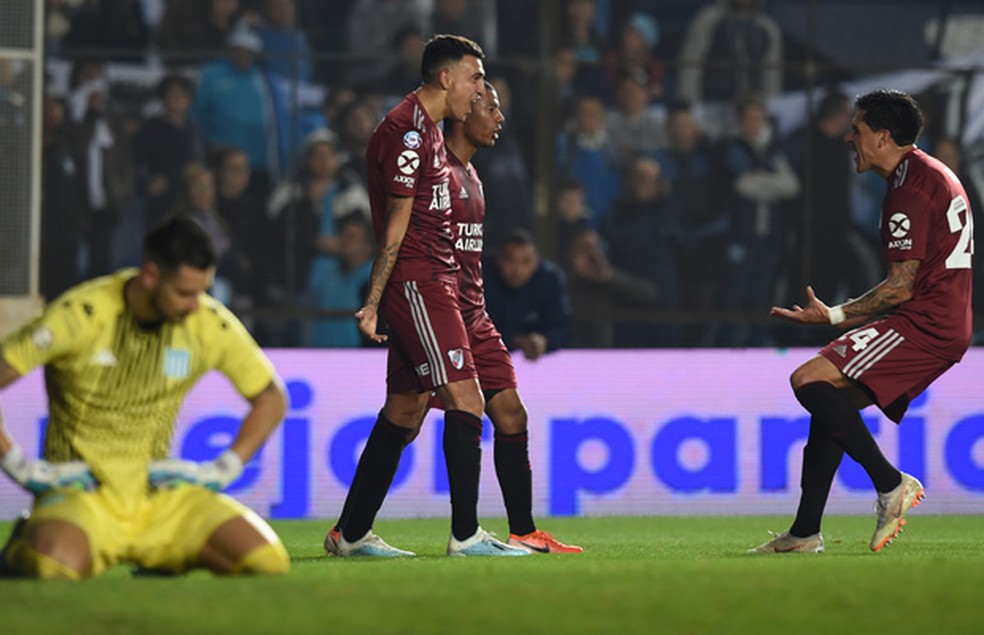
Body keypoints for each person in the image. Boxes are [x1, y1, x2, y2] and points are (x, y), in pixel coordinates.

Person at [323, 34, 527, 557]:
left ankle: (350, 534)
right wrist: (373, 301)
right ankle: (465, 536)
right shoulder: (407, 132)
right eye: (476, 78)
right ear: (446, 78)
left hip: (435, 285)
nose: (480, 90)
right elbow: (394, 229)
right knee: (466, 399)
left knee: (405, 410)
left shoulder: (430, 132)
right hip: (421, 283)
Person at [0, 216, 290, 579]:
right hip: (84, 495)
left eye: (202, 292)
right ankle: (22, 542)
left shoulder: (206, 322)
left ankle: (160, 559)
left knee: (266, 562)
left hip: (160, 498)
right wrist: (19, 466)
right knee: (51, 564)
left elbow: (272, 397)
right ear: (150, 275)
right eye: (185, 293)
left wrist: (223, 469)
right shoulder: (84, 314)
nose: (195, 306)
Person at [754, 89, 974, 554]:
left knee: (807, 379)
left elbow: (900, 287)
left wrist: (832, 315)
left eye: (857, 129)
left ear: (883, 136)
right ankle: (805, 533)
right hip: (944, 319)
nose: (848, 137)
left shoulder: (908, 190)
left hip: (925, 321)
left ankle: (891, 484)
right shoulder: (931, 173)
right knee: (829, 401)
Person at [437, 82, 581, 552]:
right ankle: (460, 534)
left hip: (475, 316)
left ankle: (522, 529)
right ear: (463, 110)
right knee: (406, 414)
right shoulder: (434, 173)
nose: (500, 118)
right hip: (439, 313)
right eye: (491, 108)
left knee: (511, 413)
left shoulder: (474, 177)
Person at [484, 229, 572, 361]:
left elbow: (561, 327)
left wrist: (544, 340)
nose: (517, 269)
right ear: (498, 260)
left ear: (537, 262)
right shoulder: (481, 277)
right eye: (510, 260)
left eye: (526, 261)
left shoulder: (549, 279)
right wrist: (517, 341)